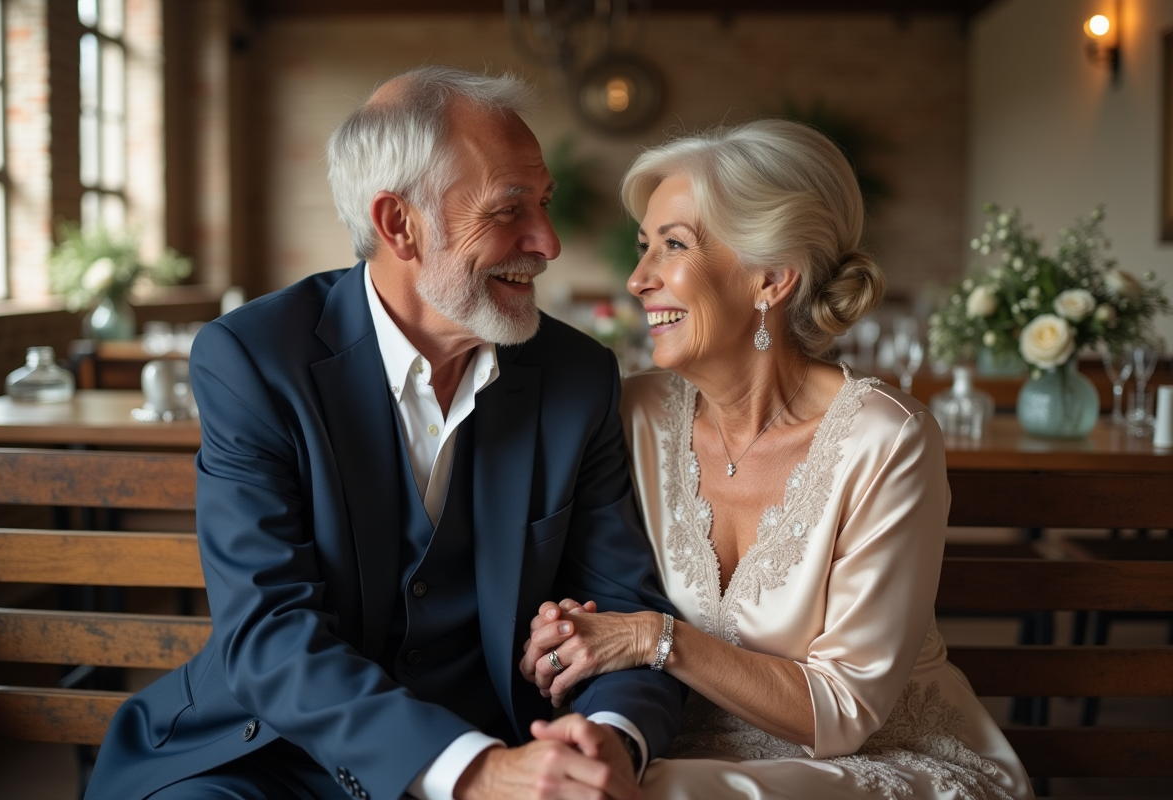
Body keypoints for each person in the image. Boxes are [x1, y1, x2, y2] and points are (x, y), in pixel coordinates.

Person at [86, 66, 683, 800]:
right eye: (508, 210)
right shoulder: (255, 359)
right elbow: (268, 630)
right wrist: (473, 772)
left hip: (512, 743)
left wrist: (614, 742)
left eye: (546, 204)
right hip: (264, 758)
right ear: (399, 223)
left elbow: (621, 607)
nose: (549, 242)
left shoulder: (576, 377)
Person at [520, 119, 1034, 800]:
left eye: (671, 245)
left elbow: (846, 712)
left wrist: (653, 637)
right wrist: (559, 632)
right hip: (680, 746)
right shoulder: (633, 413)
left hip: (879, 760)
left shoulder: (886, 439)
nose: (638, 279)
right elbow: (598, 590)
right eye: (644, 248)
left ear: (772, 278)